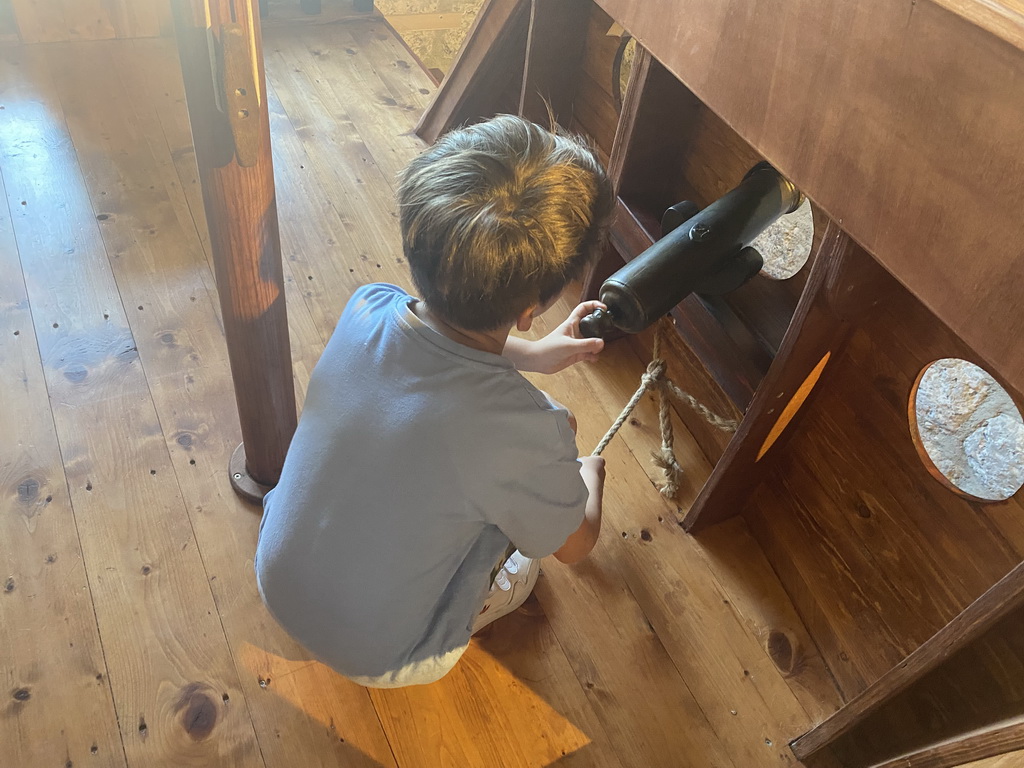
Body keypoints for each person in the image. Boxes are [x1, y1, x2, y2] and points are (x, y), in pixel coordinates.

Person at [255, 114, 616, 688]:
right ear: (531, 308)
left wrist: (532, 355)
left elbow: (445, 346)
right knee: (527, 546)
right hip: (387, 657)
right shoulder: (527, 431)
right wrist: (586, 472)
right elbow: (577, 546)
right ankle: (491, 598)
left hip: (274, 577)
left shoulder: (368, 305)